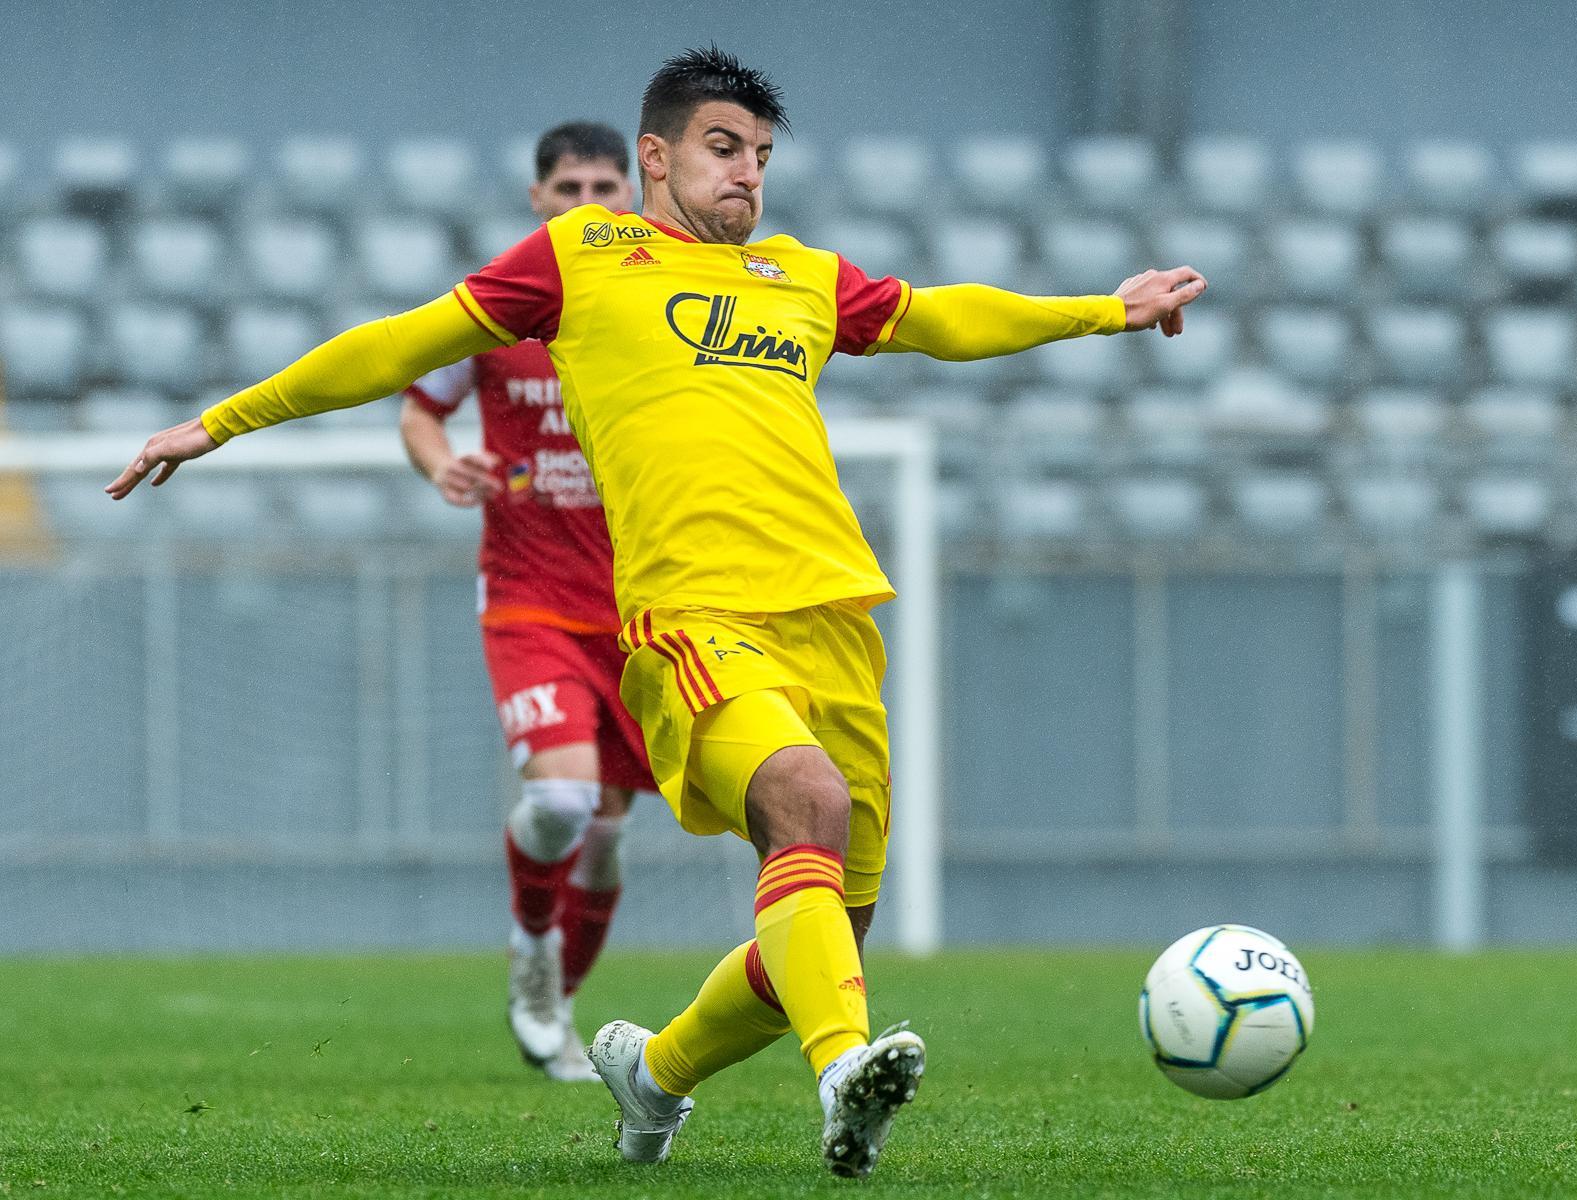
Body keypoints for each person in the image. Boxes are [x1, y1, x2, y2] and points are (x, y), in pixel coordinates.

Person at [107, 46, 1207, 1179]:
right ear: (656, 156)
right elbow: (399, 343)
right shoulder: (582, 256)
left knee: (826, 935)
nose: (748, 174)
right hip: (692, 618)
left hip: (833, 616)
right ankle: (844, 1073)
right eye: (724, 149)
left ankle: (655, 1073)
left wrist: (1102, 311)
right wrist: (221, 422)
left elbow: (941, 318)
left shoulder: (799, 274)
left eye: (762, 156)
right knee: (807, 801)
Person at [397, 121, 652, 1084]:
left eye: (604, 187)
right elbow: (420, 407)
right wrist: (441, 466)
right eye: (568, 188)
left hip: (639, 605)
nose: (587, 203)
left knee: (607, 832)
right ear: (538, 199)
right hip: (530, 597)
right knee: (561, 799)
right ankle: (532, 952)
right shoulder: (497, 306)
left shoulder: (656, 305)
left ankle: (560, 1001)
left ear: (630, 196)